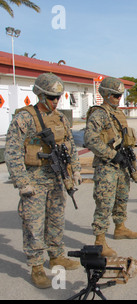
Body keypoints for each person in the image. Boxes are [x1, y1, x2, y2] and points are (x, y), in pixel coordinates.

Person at [5, 73, 82, 289]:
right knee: (34, 224)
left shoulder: (60, 118)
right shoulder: (24, 118)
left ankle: (56, 255)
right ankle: (37, 266)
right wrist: (22, 182)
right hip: (34, 181)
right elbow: (12, 152)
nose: (55, 101)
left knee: (56, 219)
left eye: (58, 97)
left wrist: (75, 170)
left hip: (57, 178)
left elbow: (70, 147)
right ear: (39, 95)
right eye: (50, 97)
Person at [84, 77, 137, 258]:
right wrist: (112, 155)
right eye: (115, 95)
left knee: (122, 197)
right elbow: (90, 140)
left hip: (121, 163)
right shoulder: (99, 114)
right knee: (104, 202)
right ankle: (100, 240)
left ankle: (120, 227)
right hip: (107, 165)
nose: (118, 98)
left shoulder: (118, 113)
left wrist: (131, 163)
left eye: (120, 95)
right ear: (105, 94)